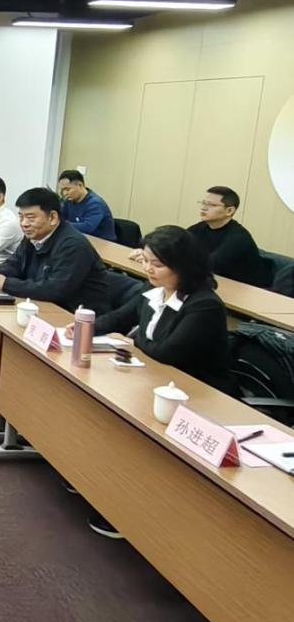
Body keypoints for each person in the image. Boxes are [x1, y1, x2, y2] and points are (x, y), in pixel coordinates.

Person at [68, 225, 237, 540]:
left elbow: (167, 353)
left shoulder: (204, 305)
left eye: (157, 264)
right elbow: (120, 318)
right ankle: (92, 480)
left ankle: (129, 509)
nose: (148, 269)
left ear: (183, 265)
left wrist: (132, 342)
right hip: (156, 381)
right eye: (145, 261)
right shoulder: (155, 292)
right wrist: (82, 328)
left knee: (129, 428)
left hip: (197, 396)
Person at [0, 187, 111, 315]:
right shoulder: (34, 236)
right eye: (21, 217)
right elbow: (15, 263)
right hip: (45, 305)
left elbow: (55, 289)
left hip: (76, 315)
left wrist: (5, 283)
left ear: (52, 218)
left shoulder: (73, 245)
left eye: (31, 218)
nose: (24, 223)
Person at [183, 186, 271, 288]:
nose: (204, 208)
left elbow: (210, 264)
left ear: (229, 211)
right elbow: (176, 246)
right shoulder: (199, 228)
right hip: (217, 282)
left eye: (211, 205)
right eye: (203, 203)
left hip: (249, 289)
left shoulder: (239, 238)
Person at [57, 169, 116, 241]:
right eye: (62, 190)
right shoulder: (69, 201)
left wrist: (60, 224)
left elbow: (87, 228)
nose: (65, 193)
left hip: (102, 242)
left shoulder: (95, 203)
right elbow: (61, 218)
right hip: (79, 238)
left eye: (67, 189)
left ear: (80, 185)